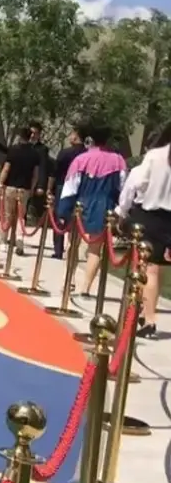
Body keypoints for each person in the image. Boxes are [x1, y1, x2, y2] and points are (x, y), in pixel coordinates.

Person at [116, 123, 171, 338]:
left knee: (146, 268)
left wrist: (122, 211)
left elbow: (136, 184)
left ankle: (147, 317)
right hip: (168, 219)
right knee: (157, 269)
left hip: (149, 215)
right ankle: (147, 310)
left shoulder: (155, 156)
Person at [59, 126, 127, 297]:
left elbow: (70, 186)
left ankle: (69, 279)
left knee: (72, 244)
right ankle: (86, 288)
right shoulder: (119, 161)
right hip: (105, 205)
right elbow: (122, 187)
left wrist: (63, 210)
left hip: (81, 204)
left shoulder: (81, 159)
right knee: (95, 249)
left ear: (91, 139)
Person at [0, 128, 41, 256]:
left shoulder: (13, 150)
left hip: (10, 187)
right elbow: (35, 174)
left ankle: (3, 241)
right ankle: (19, 239)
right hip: (24, 188)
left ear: (20, 137)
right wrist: (32, 188)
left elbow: (6, 169)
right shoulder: (35, 153)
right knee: (21, 216)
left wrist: (0, 183)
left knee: (7, 214)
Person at [49, 127, 86, 261]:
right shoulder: (86, 154)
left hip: (62, 186)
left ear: (76, 137)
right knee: (76, 218)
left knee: (60, 218)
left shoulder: (65, 153)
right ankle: (72, 248)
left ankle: (58, 250)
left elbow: (55, 172)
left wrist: (49, 188)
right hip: (81, 189)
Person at [26, 122, 51, 224]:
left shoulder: (42, 149)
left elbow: (43, 167)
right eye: (31, 132)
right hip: (22, 181)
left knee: (35, 209)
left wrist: (40, 185)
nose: (32, 135)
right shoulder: (24, 146)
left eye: (35, 133)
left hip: (35, 182)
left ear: (39, 134)